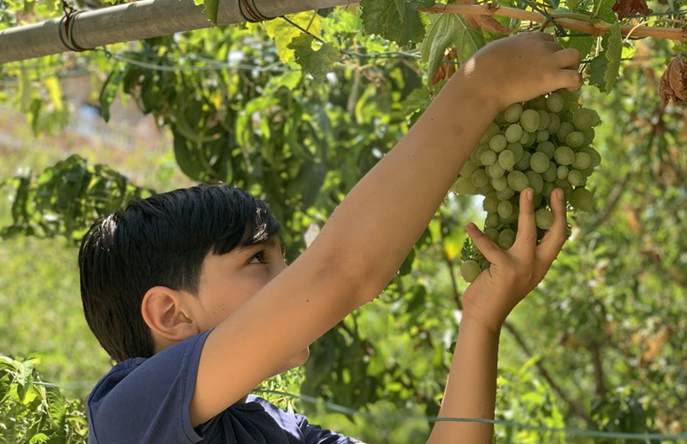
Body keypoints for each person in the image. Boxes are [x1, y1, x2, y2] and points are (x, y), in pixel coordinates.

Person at [78, 31, 582, 443]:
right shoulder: (129, 417)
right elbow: (340, 271)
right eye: (258, 259)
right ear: (171, 313)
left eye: (284, 258)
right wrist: (479, 88)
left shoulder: (275, 430)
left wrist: (482, 318)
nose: (292, 275)